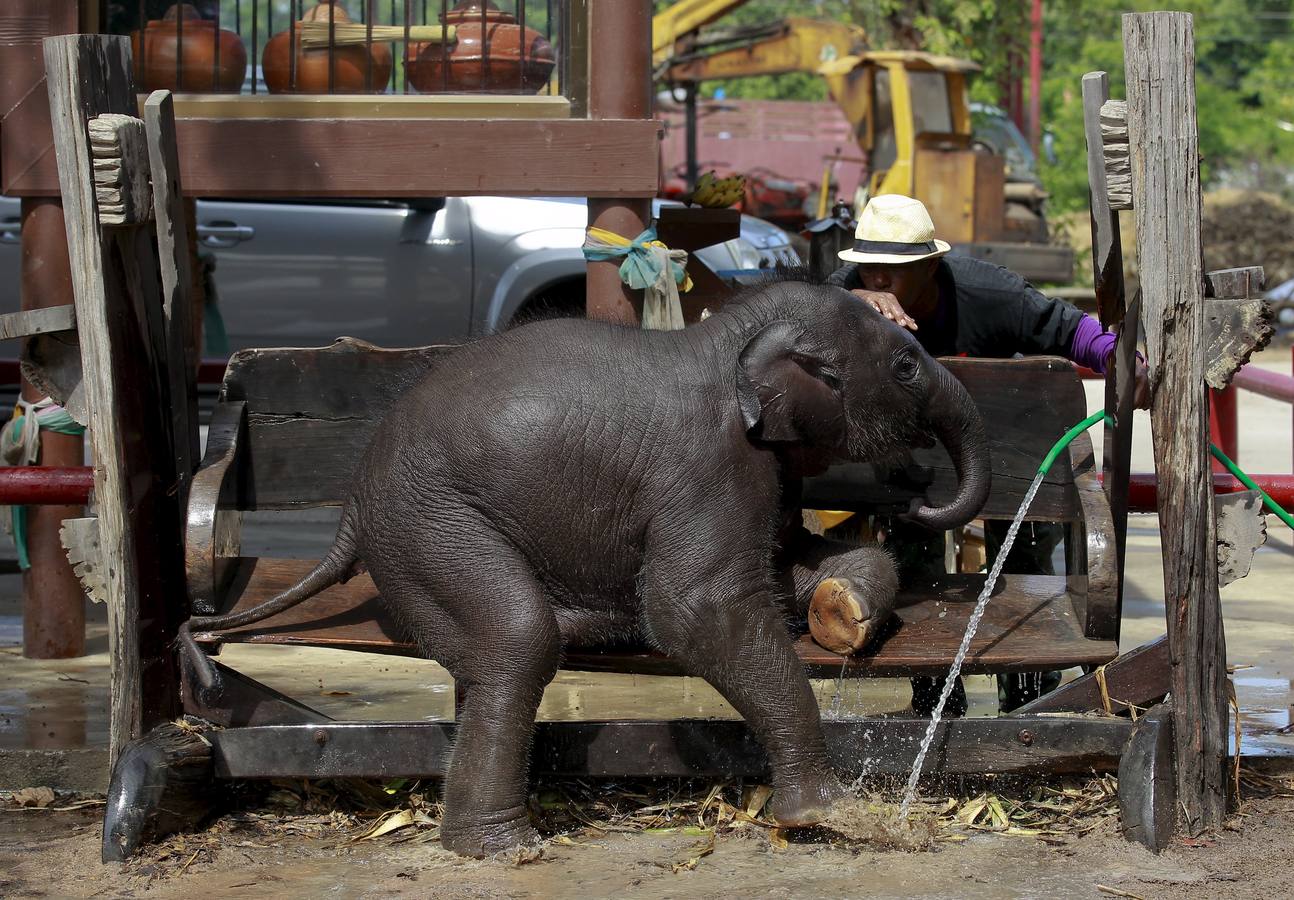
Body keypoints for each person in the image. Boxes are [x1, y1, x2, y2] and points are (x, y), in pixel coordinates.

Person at [825, 193, 1148, 715]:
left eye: (894, 270)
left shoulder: (989, 293)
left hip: (1001, 455)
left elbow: (1070, 329)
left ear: (931, 266)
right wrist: (851, 306)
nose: (878, 280)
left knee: (1022, 556)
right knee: (911, 563)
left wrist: (1121, 361)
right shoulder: (844, 295)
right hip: (909, 466)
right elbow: (788, 322)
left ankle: (1026, 701)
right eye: (869, 268)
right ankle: (934, 698)